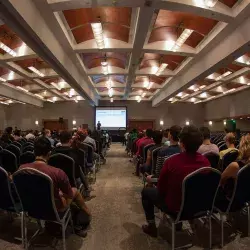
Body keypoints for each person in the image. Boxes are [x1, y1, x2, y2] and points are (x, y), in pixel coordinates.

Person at [141, 125, 210, 237]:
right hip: (199, 205)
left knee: (146, 192)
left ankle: (151, 226)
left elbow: (161, 189)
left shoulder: (171, 161)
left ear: (181, 143)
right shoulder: (206, 162)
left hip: (176, 208)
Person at [19, 137, 90, 237]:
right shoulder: (57, 172)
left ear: (34, 152)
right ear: (49, 153)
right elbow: (69, 194)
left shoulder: (22, 169)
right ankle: (87, 213)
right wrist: (59, 192)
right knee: (75, 191)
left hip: (30, 207)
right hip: (53, 210)